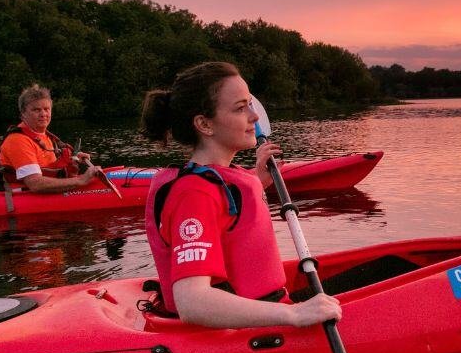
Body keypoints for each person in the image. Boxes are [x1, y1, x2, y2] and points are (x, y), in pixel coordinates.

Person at [139, 61, 341, 330]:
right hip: (239, 335)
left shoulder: (216, 178)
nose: (254, 116)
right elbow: (192, 302)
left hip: (263, 308)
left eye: (250, 104)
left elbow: (227, 218)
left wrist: (258, 181)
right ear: (204, 124)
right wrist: (293, 315)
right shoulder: (194, 194)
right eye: (240, 108)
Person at [0, 84, 102, 193]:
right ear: (23, 114)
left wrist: (74, 159)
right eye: (36, 110)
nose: (43, 114)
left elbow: (49, 168)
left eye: (46, 109)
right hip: (23, 198)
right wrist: (81, 180)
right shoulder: (17, 140)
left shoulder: (45, 136)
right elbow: (35, 183)